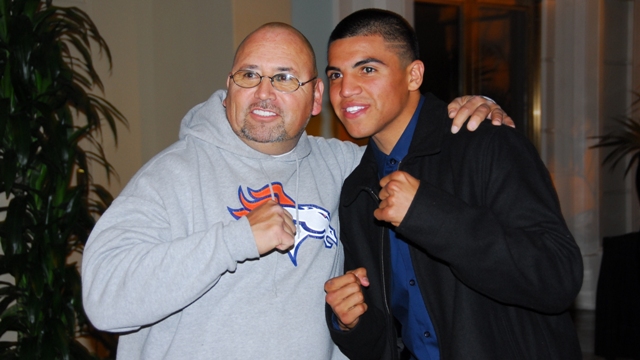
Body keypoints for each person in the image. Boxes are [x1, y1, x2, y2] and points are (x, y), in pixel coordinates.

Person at [81, 21, 509, 359]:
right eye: (249, 75)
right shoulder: (170, 177)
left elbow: (425, 156)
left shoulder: (344, 166)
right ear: (229, 87)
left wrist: (472, 111)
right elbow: (104, 299)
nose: (263, 93)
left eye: (285, 78)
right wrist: (236, 239)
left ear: (317, 97)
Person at [323, 8, 583, 360]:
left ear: (413, 75)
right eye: (335, 74)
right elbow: (386, 339)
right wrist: (350, 323)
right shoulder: (358, 190)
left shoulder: (486, 142)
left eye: (367, 69)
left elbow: (557, 278)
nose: (346, 89)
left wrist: (428, 214)